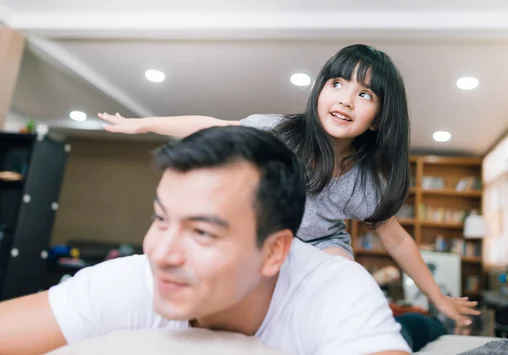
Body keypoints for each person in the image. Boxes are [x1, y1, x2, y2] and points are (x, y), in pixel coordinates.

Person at [98, 44, 479, 327]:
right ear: (320, 91)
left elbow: (398, 240)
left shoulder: (364, 182)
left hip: (320, 245)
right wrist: (144, 124)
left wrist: (438, 298)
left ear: (378, 120)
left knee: (345, 273)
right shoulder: (279, 132)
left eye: (364, 94)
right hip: (266, 236)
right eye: (337, 83)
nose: (346, 99)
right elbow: (212, 125)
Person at [0, 126, 411, 355]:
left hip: (396, 326)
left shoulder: (337, 289)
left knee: (416, 326)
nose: (161, 254)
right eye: (160, 219)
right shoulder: (132, 280)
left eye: (201, 232)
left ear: (273, 251)